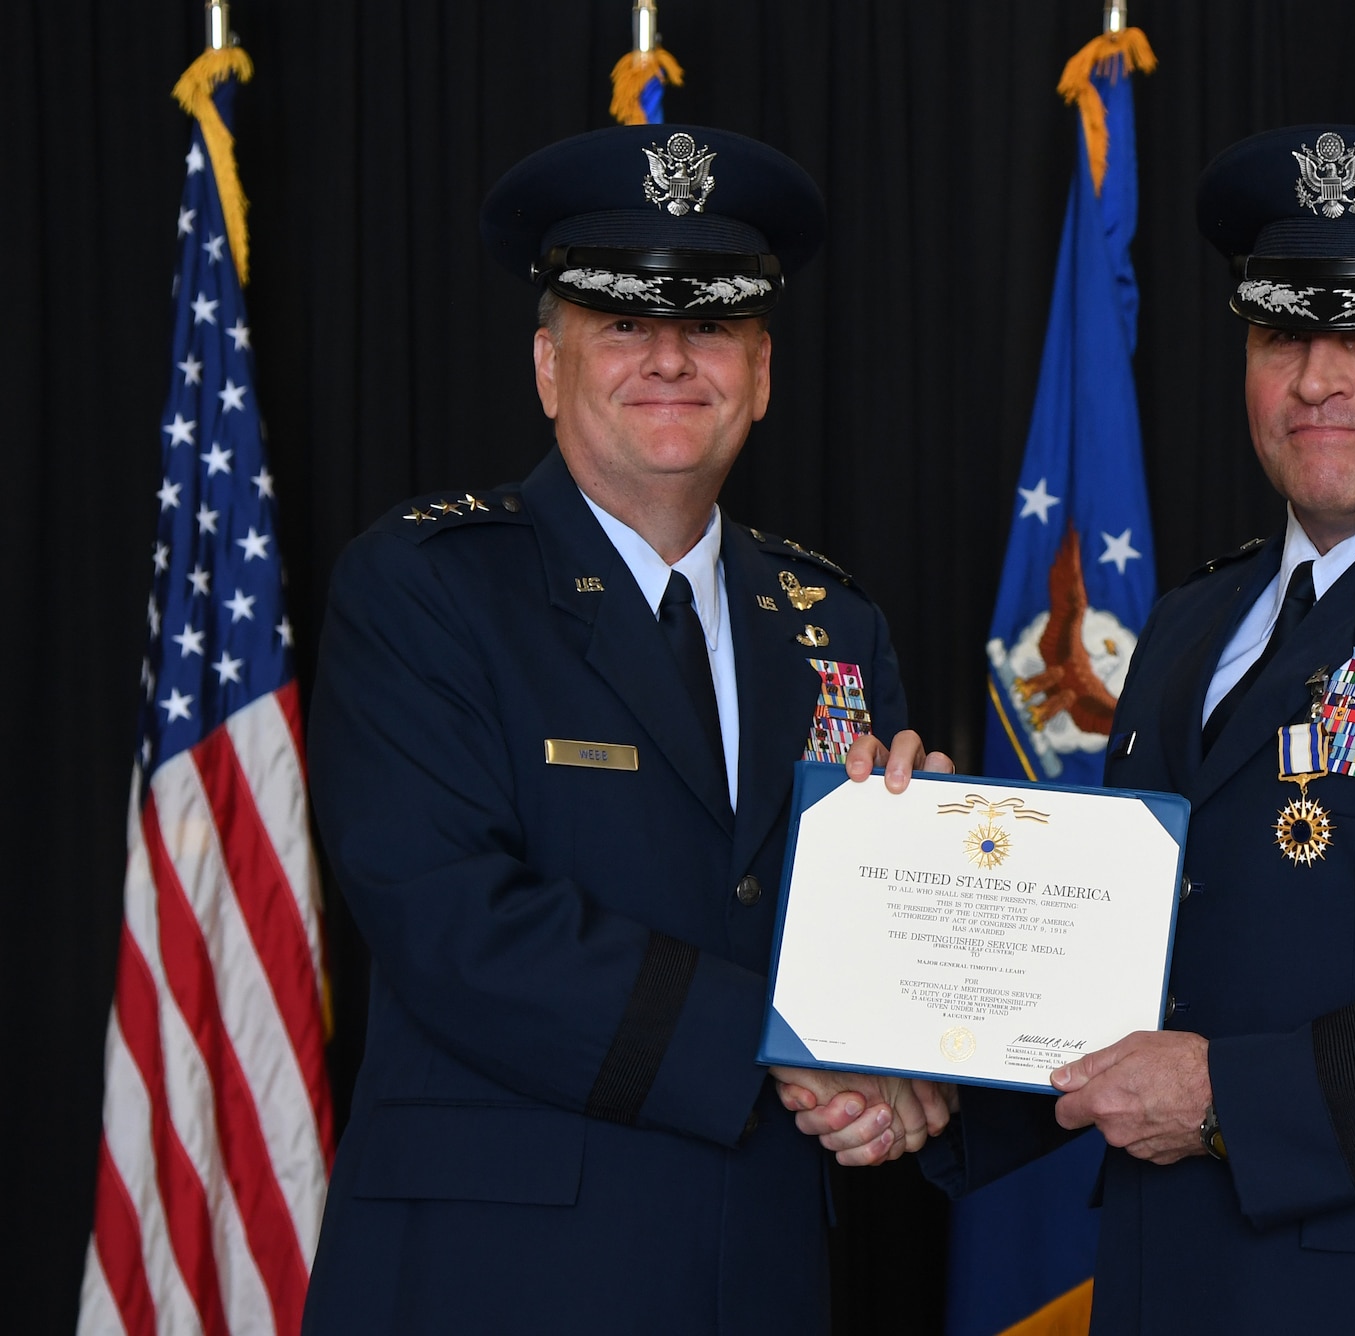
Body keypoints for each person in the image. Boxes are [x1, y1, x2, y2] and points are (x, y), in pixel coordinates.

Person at [791, 125, 1355, 1334]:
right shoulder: (1186, 622)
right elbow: (1127, 967)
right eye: (1283, 332)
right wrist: (924, 1079)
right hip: (1172, 1289)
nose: (1318, 378)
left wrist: (1227, 1097)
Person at [302, 124, 950, 1335]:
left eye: (707, 325)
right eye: (621, 324)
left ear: (759, 372)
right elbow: (455, 922)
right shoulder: (424, 587)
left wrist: (923, 971)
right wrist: (782, 1043)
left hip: (758, 1264)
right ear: (549, 368)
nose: (668, 358)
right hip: (496, 1274)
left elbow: (867, 959)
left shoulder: (834, 623)